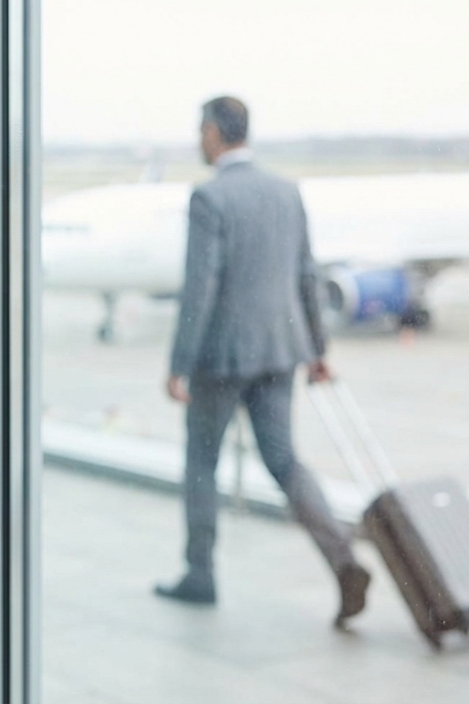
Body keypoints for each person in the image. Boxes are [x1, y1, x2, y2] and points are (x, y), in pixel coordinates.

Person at [155, 96, 371, 626]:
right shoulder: (286, 191)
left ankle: (199, 574)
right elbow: (307, 275)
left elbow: (200, 288)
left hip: (222, 358)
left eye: (199, 130)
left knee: (202, 463)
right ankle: (342, 555)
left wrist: (179, 363)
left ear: (213, 132)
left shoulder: (209, 198)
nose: (197, 140)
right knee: (285, 461)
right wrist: (318, 351)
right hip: (280, 351)